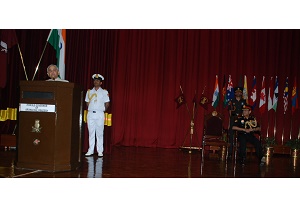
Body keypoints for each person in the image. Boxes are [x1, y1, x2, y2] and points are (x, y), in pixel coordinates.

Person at [85, 74, 110, 157]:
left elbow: (107, 103)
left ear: (101, 83)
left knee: (99, 133)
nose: (96, 82)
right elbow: (87, 102)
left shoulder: (104, 92)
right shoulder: (89, 92)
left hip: (99, 114)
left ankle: (100, 151)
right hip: (91, 114)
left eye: (98, 81)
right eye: (95, 80)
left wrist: (102, 110)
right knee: (91, 133)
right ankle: (90, 150)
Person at [227, 86, 246, 160]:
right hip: (233, 119)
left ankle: (241, 153)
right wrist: (230, 120)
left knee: (242, 136)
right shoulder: (231, 101)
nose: (238, 93)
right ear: (235, 93)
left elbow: (245, 111)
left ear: (241, 93)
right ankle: (230, 153)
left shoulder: (244, 101)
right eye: (237, 92)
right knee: (231, 136)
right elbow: (230, 111)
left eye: (240, 92)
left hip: (241, 120)